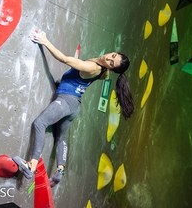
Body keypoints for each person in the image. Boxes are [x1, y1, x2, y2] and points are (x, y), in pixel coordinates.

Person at [13, 30, 134, 187]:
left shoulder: (92, 67)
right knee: (60, 138)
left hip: (65, 101)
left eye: (112, 63)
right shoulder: (104, 71)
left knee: (40, 123)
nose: (109, 58)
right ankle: (60, 170)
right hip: (75, 105)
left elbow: (63, 59)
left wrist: (44, 41)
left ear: (111, 68)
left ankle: (31, 165)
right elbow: (102, 77)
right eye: (113, 56)